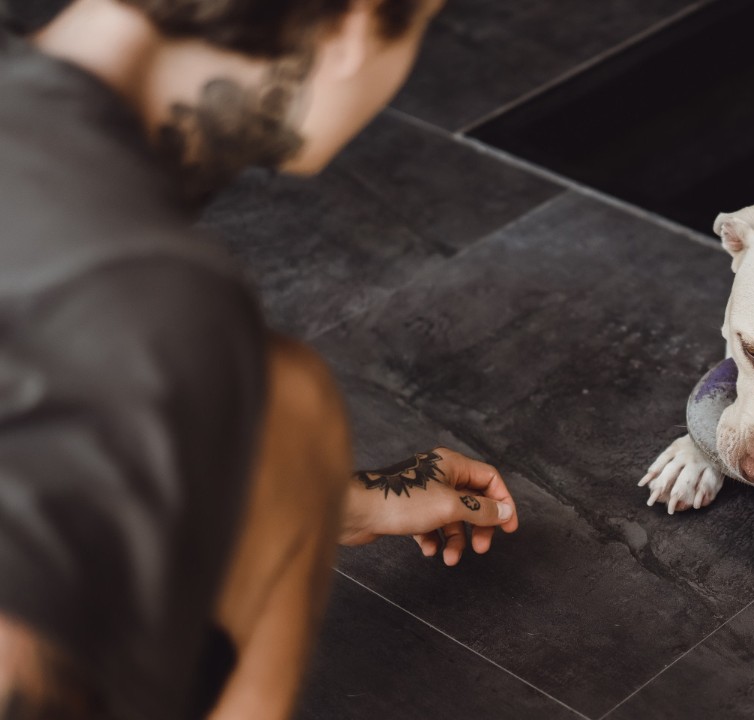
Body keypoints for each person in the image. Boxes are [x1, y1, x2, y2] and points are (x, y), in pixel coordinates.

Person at [0, 0, 520, 718]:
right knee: (291, 403)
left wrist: (340, 499)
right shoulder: (146, 296)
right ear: (355, 26)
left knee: (285, 420)